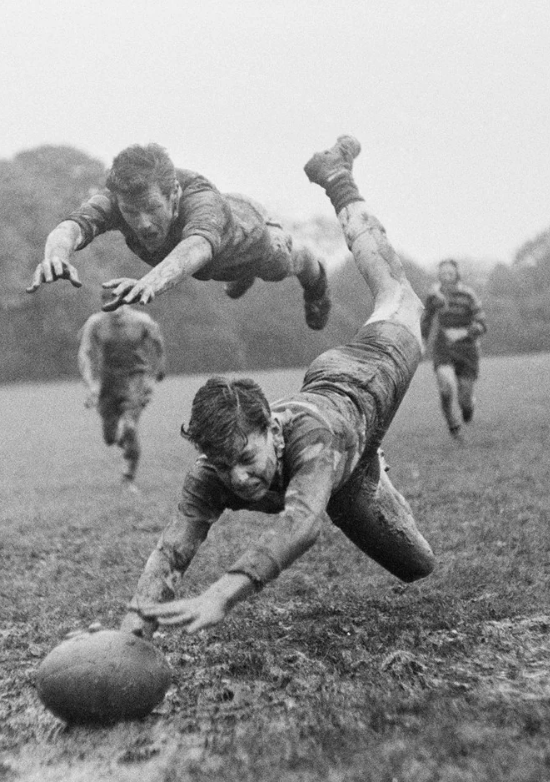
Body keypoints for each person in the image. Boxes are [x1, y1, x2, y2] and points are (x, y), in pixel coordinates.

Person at [119, 135, 435, 640]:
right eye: (224, 466)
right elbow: (173, 547)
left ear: (271, 429)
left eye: (246, 458)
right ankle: (368, 464)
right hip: (339, 450)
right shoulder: (214, 471)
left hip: (364, 375)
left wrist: (223, 593)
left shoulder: (308, 437)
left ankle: (337, 177)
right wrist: (134, 624)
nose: (239, 479)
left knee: (398, 295)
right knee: (418, 564)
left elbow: (301, 524)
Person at [26, 143, 331, 331]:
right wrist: (56, 255)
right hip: (216, 260)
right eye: (131, 212)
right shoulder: (118, 200)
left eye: (151, 208)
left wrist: (152, 281)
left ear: (174, 195)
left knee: (280, 267)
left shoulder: (201, 199)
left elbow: (196, 247)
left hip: (252, 232)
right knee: (223, 278)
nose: (142, 223)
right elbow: (73, 226)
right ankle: (240, 278)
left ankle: (316, 279)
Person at [78, 302, 166, 486]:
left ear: (127, 301)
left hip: (135, 378)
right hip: (108, 381)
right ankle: (125, 444)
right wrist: (91, 383)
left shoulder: (141, 320)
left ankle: (129, 476)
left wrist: (157, 372)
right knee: (110, 437)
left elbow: (158, 343)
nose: (116, 307)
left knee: (129, 426)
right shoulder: (96, 322)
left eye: (120, 300)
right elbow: (84, 352)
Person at [420, 259, 487, 440]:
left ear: (457, 274)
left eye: (450, 273)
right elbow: (425, 319)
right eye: (442, 274)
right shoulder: (434, 295)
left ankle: (468, 407)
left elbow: (481, 321)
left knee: (464, 398)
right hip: (444, 348)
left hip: (467, 349)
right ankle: (452, 423)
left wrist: (473, 330)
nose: (446, 277)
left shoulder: (468, 295)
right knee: (446, 386)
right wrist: (422, 340)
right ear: (438, 276)